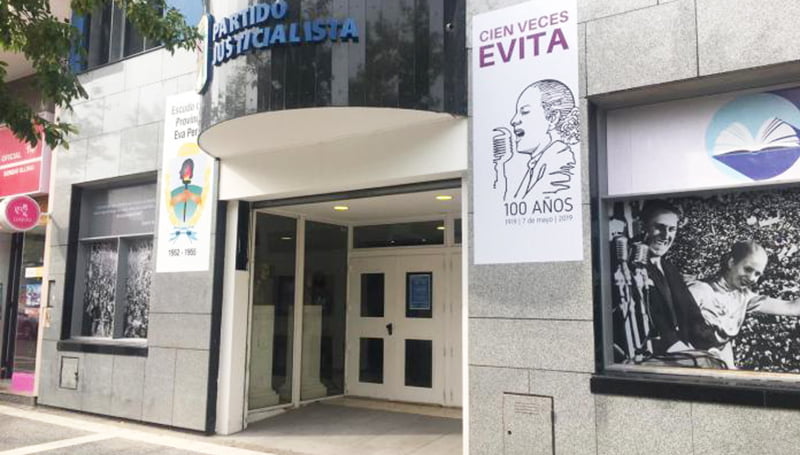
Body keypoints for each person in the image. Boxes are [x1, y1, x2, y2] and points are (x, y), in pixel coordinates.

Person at [688, 240, 800, 369]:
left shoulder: (744, 297)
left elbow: (791, 308)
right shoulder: (699, 290)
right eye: (748, 269)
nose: (752, 278)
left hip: (714, 369)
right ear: (731, 262)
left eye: (757, 274)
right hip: (685, 367)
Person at [638, 200, 718, 356]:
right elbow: (653, 316)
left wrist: (711, 348)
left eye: (671, 229)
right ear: (643, 226)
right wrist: (680, 348)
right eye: (659, 227)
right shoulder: (634, 267)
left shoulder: (670, 268)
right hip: (654, 354)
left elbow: (692, 314)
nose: (666, 236)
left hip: (681, 353)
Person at [498, 79, 580, 200]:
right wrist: (499, 166)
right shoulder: (539, 163)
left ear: (552, 118)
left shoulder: (560, 164)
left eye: (525, 112)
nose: (514, 120)